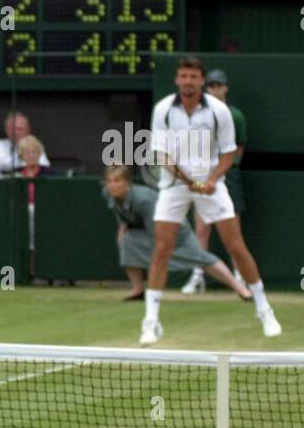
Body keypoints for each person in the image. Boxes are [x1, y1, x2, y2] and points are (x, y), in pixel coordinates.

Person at [141, 57, 280, 345]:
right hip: (174, 184)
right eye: (183, 76)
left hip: (212, 183)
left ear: (201, 80)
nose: (188, 81)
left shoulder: (219, 111)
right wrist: (186, 180)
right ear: (177, 80)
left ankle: (264, 309)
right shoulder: (163, 110)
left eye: (193, 76)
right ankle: (151, 321)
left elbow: (229, 153)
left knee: (236, 246)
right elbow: (162, 154)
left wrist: (213, 180)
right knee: (162, 248)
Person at [104, 165, 251, 303]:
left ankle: (241, 289)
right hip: (151, 232)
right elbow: (124, 219)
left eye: (117, 181)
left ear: (127, 183)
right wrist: (123, 232)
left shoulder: (143, 200)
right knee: (128, 241)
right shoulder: (109, 195)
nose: (113, 185)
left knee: (202, 258)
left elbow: (155, 231)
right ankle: (138, 290)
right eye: (109, 181)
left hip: (177, 231)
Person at [182, 68, 247, 295]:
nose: (215, 89)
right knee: (201, 229)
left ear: (226, 88)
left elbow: (238, 150)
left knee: (233, 232)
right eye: (211, 85)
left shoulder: (235, 116)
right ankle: (198, 276)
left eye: (219, 85)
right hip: (201, 175)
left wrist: (220, 171)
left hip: (229, 178)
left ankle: (239, 276)